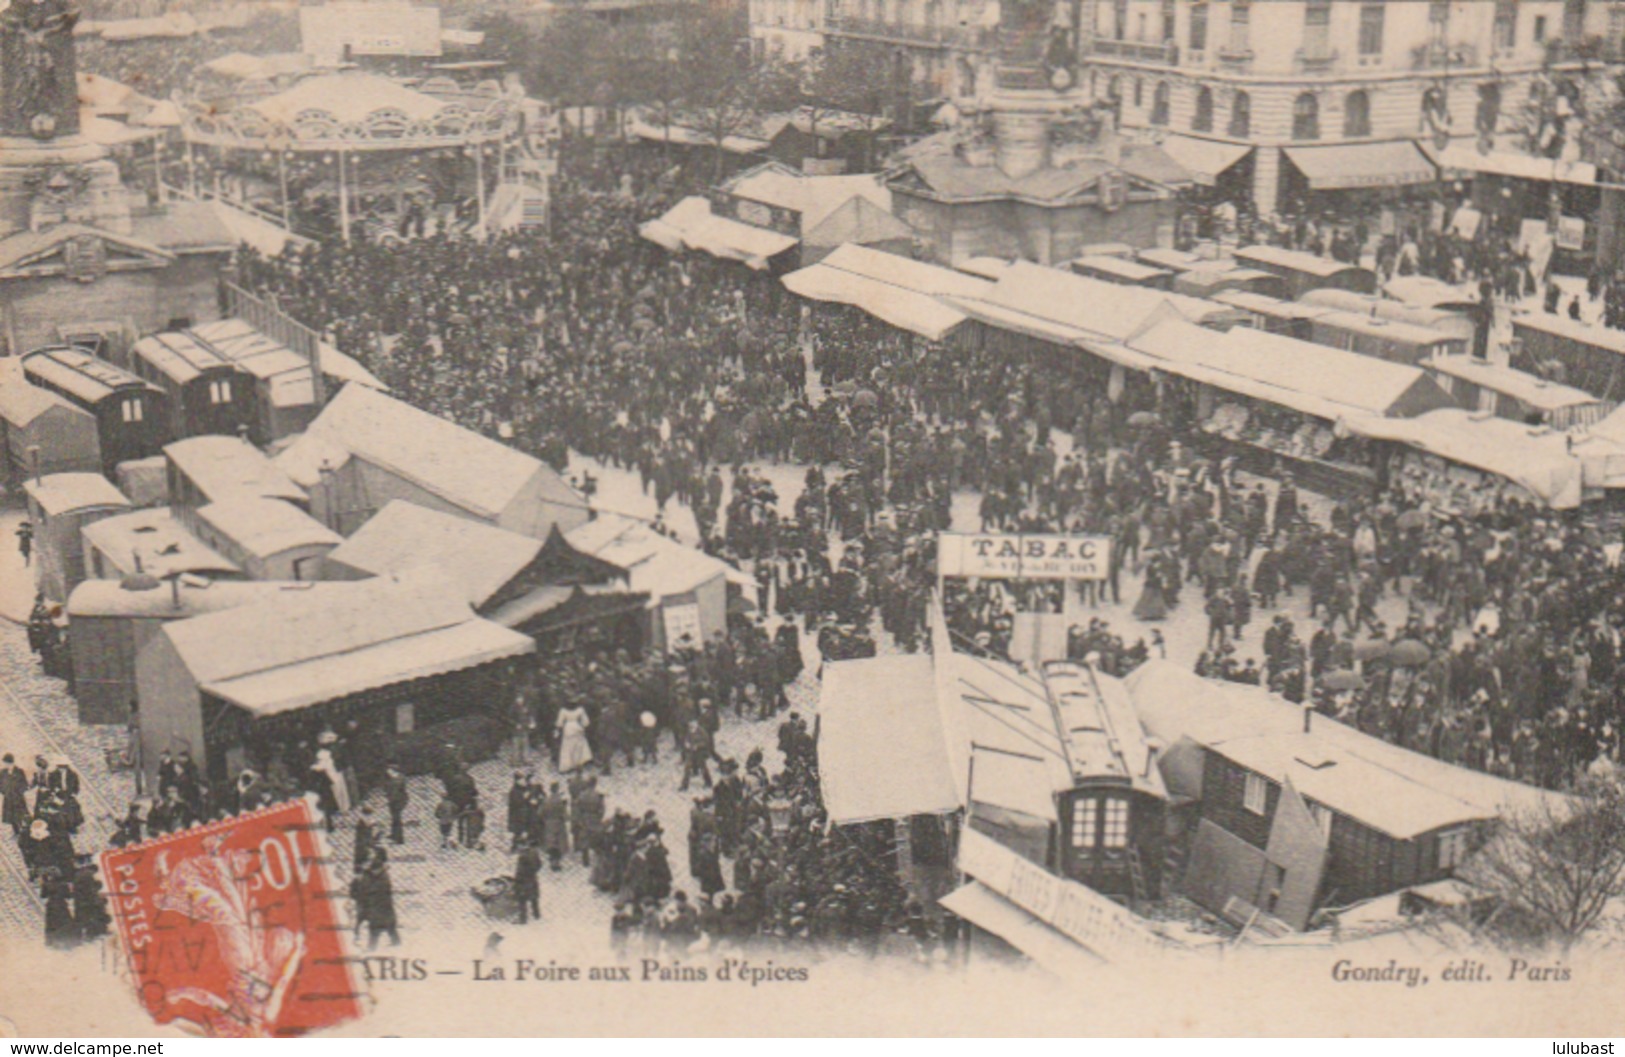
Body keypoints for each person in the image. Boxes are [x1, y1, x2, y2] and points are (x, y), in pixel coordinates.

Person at [351, 847, 400, 950]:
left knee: (377, 926)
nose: (370, 858)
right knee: (386, 925)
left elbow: (373, 886)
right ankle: (394, 942)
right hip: (372, 902)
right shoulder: (371, 872)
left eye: (372, 855)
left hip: (375, 903)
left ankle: (372, 948)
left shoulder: (377, 873)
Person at [555, 703, 593, 774]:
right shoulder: (580, 709)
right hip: (577, 728)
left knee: (567, 748)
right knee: (578, 746)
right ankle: (578, 763)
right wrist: (582, 726)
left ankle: (568, 765)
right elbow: (586, 722)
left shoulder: (563, 710)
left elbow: (559, 723)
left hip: (568, 729)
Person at [539, 782, 569, 871]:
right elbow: (565, 815)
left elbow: (540, 813)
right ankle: (557, 863)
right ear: (557, 789)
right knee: (559, 844)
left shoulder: (546, 800)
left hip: (549, 824)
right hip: (559, 824)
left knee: (551, 843)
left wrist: (546, 820)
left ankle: (552, 861)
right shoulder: (560, 801)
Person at [514, 840, 543, 924]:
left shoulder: (523, 856)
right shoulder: (534, 852)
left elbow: (521, 870)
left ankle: (522, 919)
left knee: (521, 899)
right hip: (532, 879)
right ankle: (536, 915)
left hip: (523, 881)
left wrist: (518, 879)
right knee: (534, 898)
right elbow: (539, 864)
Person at [0, 754, 28, 836]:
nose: (5, 765)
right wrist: (4, 791)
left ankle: (22, 831)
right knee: (11, 816)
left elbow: (24, 783)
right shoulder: (3, 772)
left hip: (18, 798)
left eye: (6, 763)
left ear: (11, 763)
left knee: (19, 815)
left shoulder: (19, 771)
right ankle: (16, 831)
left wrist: (19, 792)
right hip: (8, 798)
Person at [384, 765, 408, 845]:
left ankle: (399, 839)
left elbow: (396, 792)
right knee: (394, 818)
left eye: (389, 771)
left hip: (397, 801)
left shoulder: (397, 780)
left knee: (397, 819)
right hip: (394, 800)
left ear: (394, 771)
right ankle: (394, 834)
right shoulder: (397, 778)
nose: (388, 773)